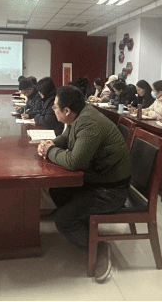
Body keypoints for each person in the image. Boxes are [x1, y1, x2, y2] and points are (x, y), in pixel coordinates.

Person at [36, 85, 131, 282]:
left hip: (111, 190)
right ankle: (84, 228)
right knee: (58, 191)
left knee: (63, 220)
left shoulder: (88, 123)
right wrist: (51, 144)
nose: (53, 109)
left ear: (67, 110)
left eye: (55, 107)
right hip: (98, 179)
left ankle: (99, 248)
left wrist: (49, 152)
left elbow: (75, 162)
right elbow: (67, 137)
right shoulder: (79, 115)